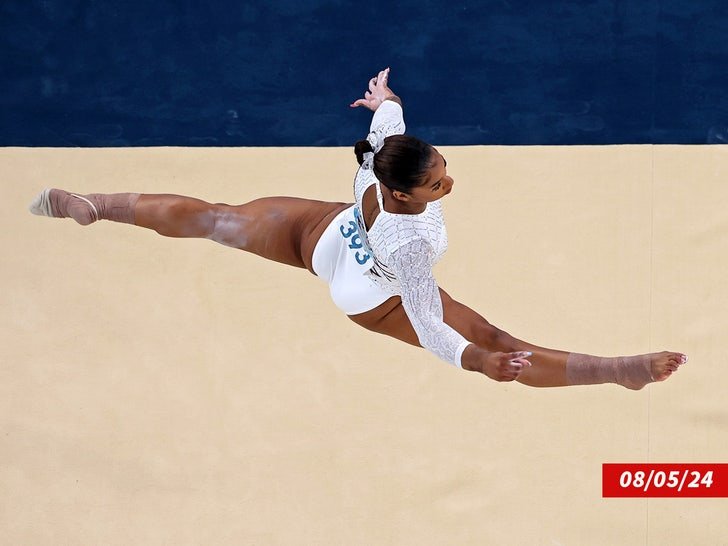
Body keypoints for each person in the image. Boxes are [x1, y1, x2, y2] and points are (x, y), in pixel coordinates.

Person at [30, 68, 686, 388]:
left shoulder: (380, 160)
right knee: (495, 338)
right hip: (369, 293)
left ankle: (96, 203)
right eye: (437, 184)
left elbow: (386, 124)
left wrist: (385, 101)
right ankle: (616, 370)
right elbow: (429, 321)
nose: (449, 185)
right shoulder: (415, 240)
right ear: (403, 191)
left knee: (215, 218)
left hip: (323, 233)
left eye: (445, 172)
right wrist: (476, 360)